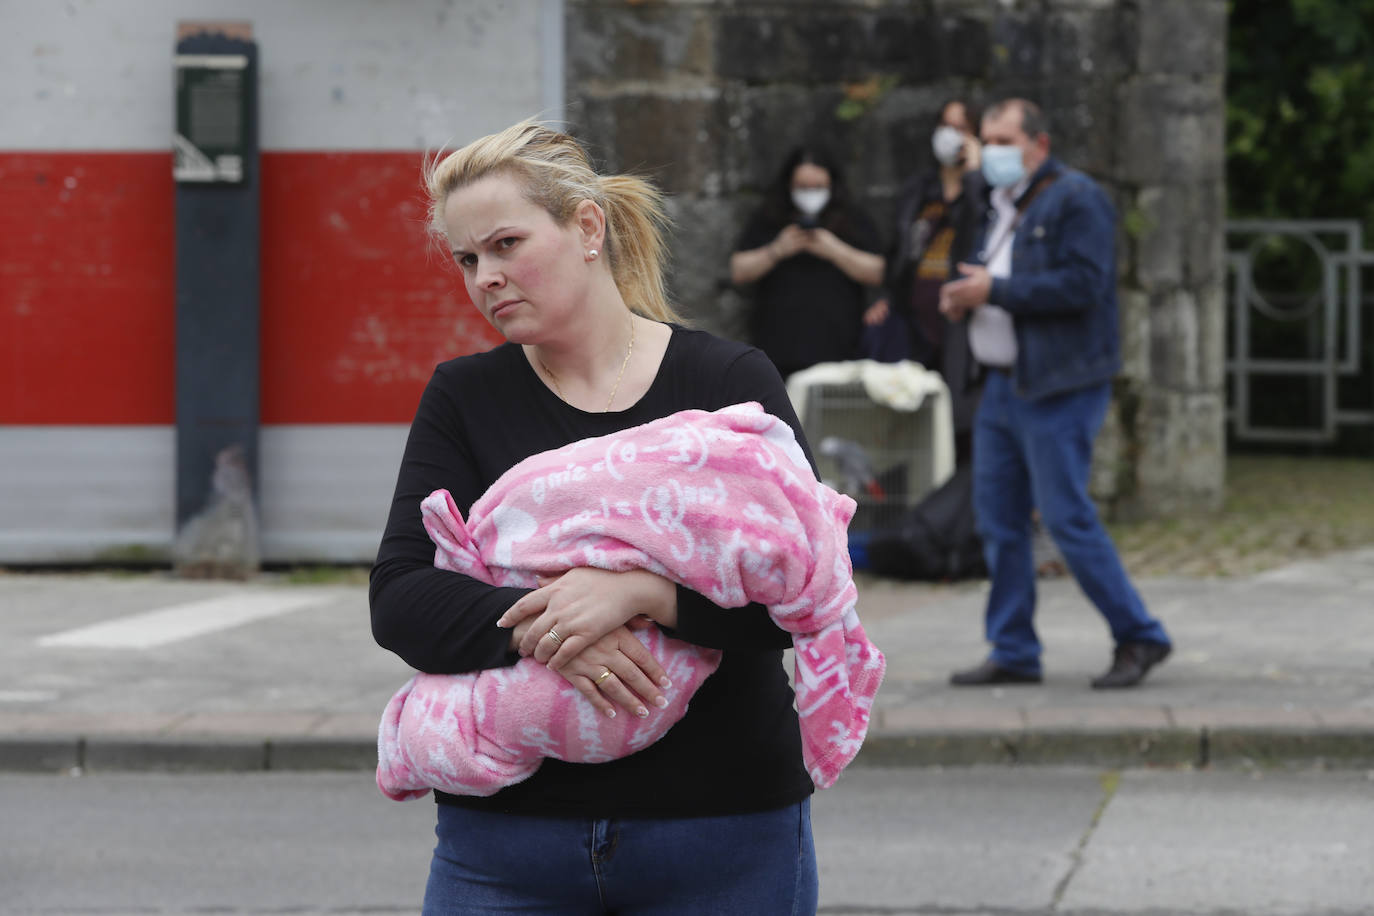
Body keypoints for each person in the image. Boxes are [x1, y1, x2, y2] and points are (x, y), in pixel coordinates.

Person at [369, 121, 820, 914]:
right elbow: (401, 596)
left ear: (586, 226)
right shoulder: (464, 397)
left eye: (507, 244)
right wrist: (551, 621)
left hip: (721, 830)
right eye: (469, 259)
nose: (486, 278)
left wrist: (644, 596)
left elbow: (803, 592)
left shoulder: (726, 380)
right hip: (507, 847)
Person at [938, 99, 1173, 689]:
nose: (990, 151)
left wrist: (995, 290)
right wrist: (965, 294)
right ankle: (1014, 649)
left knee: (1067, 519)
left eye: (1002, 139)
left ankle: (1139, 635)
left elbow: (1085, 285)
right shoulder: (996, 203)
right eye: (985, 139)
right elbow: (988, 276)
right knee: (999, 522)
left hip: (1059, 385)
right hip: (1002, 385)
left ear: (1038, 144)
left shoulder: (1077, 198)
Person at [867, 98, 987, 464]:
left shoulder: (984, 189)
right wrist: (886, 295)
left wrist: (976, 176)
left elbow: (982, 231)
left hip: (959, 320)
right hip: (914, 316)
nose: (950, 136)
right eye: (944, 126)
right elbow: (899, 250)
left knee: (961, 411)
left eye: (961, 128)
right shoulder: (919, 189)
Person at [730, 145, 884, 379]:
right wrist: (777, 250)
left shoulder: (853, 218)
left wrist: (834, 250)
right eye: (802, 187)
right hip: (778, 351)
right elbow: (738, 270)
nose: (810, 193)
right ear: (789, 185)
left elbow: (878, 271)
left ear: (832, 185)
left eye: (818, 187)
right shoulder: (769, 216)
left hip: (840, 351)